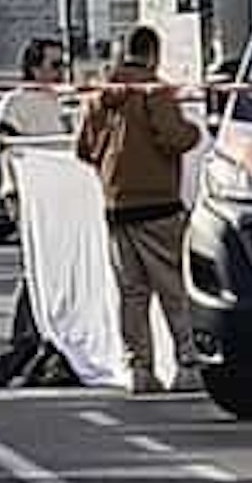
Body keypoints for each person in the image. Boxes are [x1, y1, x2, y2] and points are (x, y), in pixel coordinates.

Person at [75, 26, 203, 395]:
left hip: (116, 205)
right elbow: (174, 137)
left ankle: (140, 371)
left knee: (132, 293)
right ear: (153, 53)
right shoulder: (153, 90)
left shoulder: (99, 96)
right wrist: (194, 131)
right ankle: (188, 363)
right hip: (157, 204)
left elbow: (82, 148)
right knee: (173, 287)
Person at [0, 38, 71, 140]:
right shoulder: (15, 102)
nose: (62, 71)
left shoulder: (61, 101)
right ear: (35, 69)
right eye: (55, 65)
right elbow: (0, 138)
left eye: (64, 65)